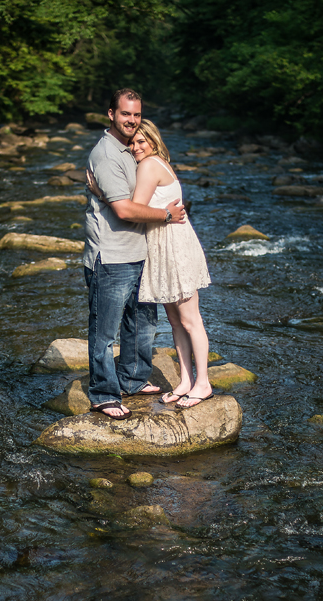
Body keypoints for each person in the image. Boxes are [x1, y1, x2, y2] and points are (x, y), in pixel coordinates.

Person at [89, 119, 213, 408]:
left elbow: (130, 210)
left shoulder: (149, 165)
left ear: (155, 141)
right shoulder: (154, 163)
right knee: (175, 321)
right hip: (161, 245)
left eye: (142, 141)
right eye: (133, 143)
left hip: (172, 246)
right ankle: (185, 381)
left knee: (191, 320)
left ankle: (203, 383)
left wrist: (99, 191)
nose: (135, 147)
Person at [83, 89, 186, 420]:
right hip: (111, 256)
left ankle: (133, 378)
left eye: (137, 115)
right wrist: (168, 216)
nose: (131, 120)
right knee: (105, 332)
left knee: (142, 323)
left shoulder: (133, 150)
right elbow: (126, 210)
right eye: (125, 114)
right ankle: (103, 393)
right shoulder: (107, 154)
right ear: (111, 114)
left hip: (140, 252)